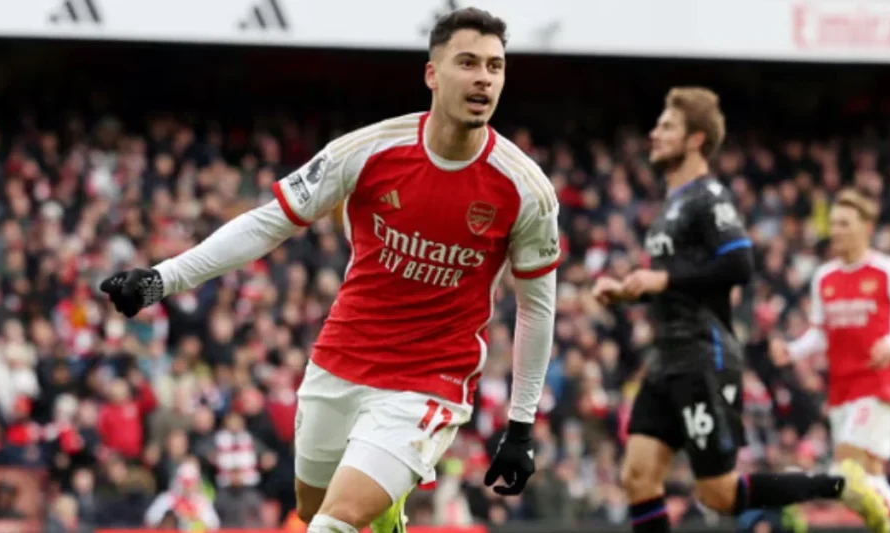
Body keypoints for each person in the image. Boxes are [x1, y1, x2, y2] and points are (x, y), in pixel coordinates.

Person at [99, 7, 558, 533]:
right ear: (432, 73)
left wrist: (521, 425)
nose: (483, 78)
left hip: (429, 380)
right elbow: (269, 224)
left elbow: (536, 306)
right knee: (315, 511)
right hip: (341, 361)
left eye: (495, 67)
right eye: (468, 62)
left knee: (332, 525)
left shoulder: (525, 189)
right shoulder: (368, 151)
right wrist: (163, 279)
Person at [592, 87, 890, 533]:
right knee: (637, 477)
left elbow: (739, 262)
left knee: (719, 493)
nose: (654, 134)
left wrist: (663, 280)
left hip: (702, 357)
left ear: (695, 139)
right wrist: (630, 291)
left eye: (667, 126)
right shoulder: (670, 205)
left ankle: (837, 487)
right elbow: (681, 281)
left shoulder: (709, 197)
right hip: (665, 358)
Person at [770, 189, 890, 533]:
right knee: (868, 479)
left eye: (845, 223)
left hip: (876, 386)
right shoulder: (824, 278)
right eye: (833, 223)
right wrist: (792, 350)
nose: (837, 230)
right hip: (841, 390)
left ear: (866, 226)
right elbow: (820, 334)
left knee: (845, 470)